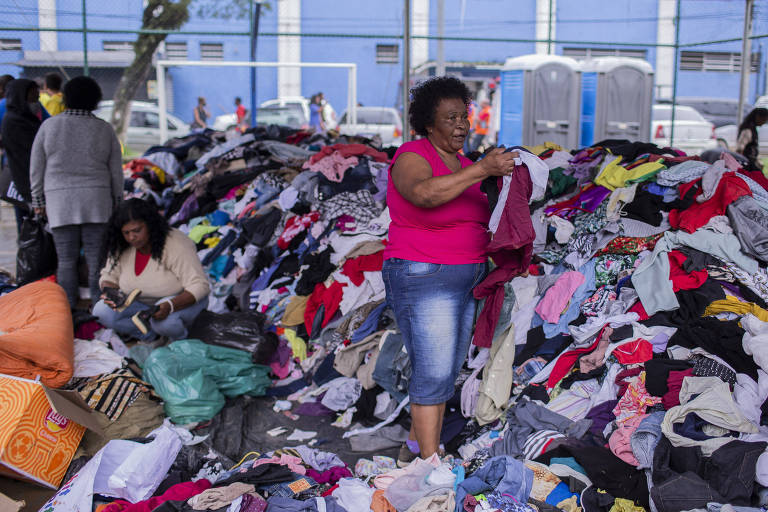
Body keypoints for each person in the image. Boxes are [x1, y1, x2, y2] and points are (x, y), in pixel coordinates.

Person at [382, 76, 518, 465]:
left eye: (465, 116)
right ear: (428, 123)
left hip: (466, 278)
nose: (461, 124)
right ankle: (430, 465)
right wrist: (480, 171)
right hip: (424, 275)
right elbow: (423, 194)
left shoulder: (464, 163)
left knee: (445, 368)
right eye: (450, 117)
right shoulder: (412, 155)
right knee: (435, 369)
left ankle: (414, 449)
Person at [30, 75, 123, 309]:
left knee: (66, 260)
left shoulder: (49, 126)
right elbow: (115, 172)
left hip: (59, 202)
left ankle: (68, 310)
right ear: (95, 99)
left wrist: (38, 200)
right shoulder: (104, 129)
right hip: (97, 201)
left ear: (66, 97)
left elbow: (36, 168)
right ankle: (97, 308)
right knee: (96, 260)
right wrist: (117, 201)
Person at [94, 198, 210, 341]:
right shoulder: (122, 244)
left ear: (150, 225)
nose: (132, 237)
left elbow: (199, 285)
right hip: (144, 307)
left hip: (181, 302)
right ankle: (150, 337)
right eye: (126, 232)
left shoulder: (175, 243)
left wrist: (170, 305)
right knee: (101, 312)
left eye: (137, 230)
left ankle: (181, 341)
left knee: (164, 323)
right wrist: (110, 291)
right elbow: (109, 276)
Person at [1, 79, 42, 233]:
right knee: (29, 229)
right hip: (25, 184)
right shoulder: (14, 121)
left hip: (29, 183)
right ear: (21, 97)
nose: (37, 101)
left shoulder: (26, 118)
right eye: (33, 97)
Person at [736, 107, 768, 172]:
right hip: (747, 164)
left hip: (750, 163)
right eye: (764, 119)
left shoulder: (752, 128)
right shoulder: (748, 130)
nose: (764, 122)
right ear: (757, 117)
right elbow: (739, 148)